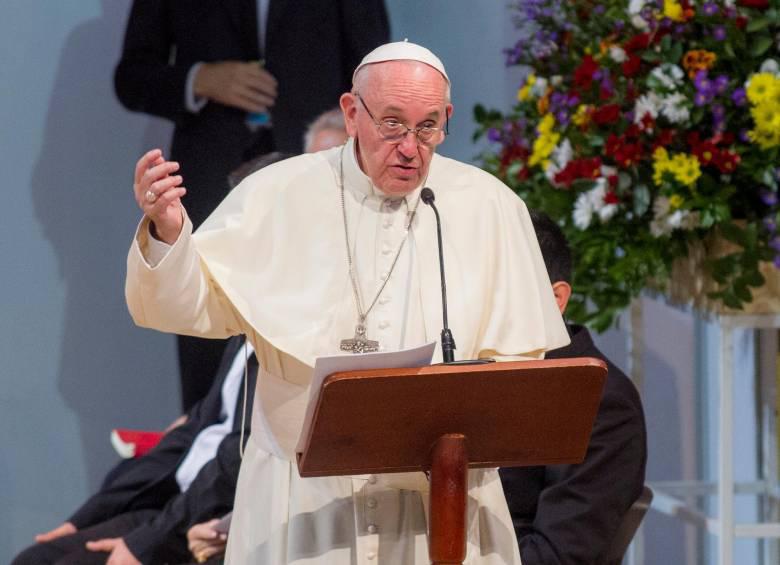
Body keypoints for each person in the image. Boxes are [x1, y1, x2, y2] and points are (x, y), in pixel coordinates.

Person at [125, 41, 570, 564]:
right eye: (392, 124)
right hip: (304, 498)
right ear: (352, 113)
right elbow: (192, 307)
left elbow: (518, 375)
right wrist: (168, 233)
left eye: (428, 126)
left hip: (441, 501)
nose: (410, 147)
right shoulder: (279, 194)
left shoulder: (490, 207)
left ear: (447, 118)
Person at [114, 0, 390, 413]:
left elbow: (375, 66)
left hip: (316, 168)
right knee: (206, 343)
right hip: (210, 181)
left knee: (320, 340)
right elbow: (132, 77)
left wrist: (342, 124)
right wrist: (198, 79)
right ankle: (204, 461)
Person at [11, 336, 257, 565]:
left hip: (213, 519)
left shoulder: (277, 349)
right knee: (35, 559)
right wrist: (88, 516)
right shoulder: (242, 338)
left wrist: (149, 542)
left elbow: (239, 457)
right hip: (175, 506)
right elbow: (188, 435)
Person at [499, 211, 648, 565]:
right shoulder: (481, 370)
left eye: (497, 288)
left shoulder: (601, 401)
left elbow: (556, 556)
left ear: (556, 299)